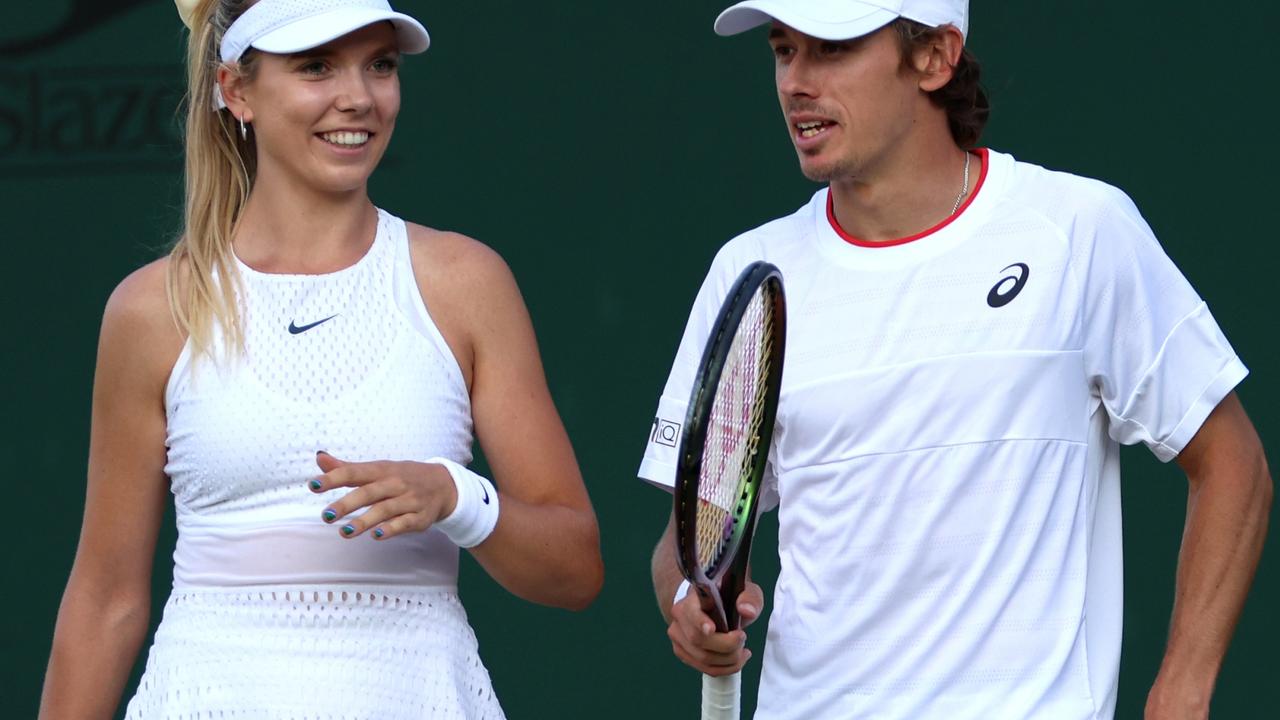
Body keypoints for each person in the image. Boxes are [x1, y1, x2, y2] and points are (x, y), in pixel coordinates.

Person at [641, 1, 1271, 718]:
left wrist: (1180, 693)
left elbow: (1234, 466)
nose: (796, 82)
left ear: (936, 57)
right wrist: (690, 606)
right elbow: (690, 543)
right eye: (785, 52)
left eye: (832, 50)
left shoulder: (1079, 232)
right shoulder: (749, 270)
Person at [39, 0, 603, 717]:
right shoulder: (152, 310)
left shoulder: (466, 283)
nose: (358, 98)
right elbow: (104, 600)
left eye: (381, 66)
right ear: (235, 90)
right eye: (316, 66)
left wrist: (456, 497)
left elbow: (575, 569)